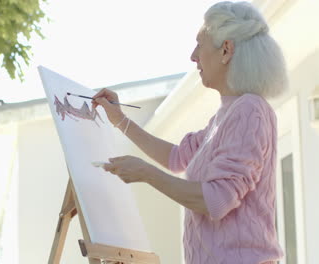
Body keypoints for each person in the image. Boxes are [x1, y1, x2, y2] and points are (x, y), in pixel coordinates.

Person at [91, 1, 287, 264]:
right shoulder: (226, 115)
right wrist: (120, 120)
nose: (193, 56)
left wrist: (145, 173)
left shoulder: (249, 111)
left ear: (226, 50)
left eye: (199, 44)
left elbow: (215, 201)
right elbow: (176, 157)